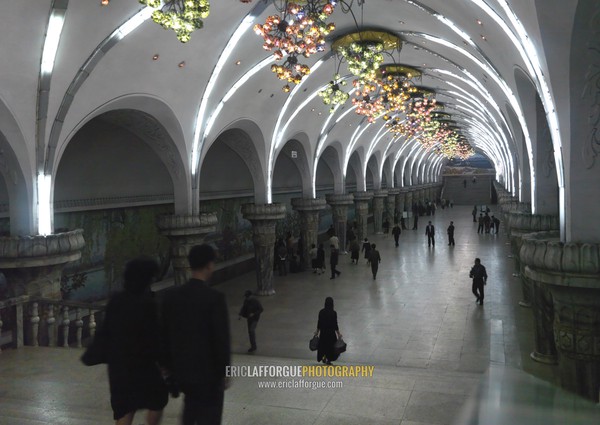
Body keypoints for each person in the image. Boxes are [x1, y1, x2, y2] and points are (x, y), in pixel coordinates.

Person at [90, 258, 168, 425]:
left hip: (119, 368)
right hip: (142, 367)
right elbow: (155, 339)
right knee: (158, 399)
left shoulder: (116, 301)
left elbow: (106, 333)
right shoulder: (147, 304)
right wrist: (164, 363)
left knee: (124, 409)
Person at [162, 244, 231, 425]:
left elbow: (165, 334)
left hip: (183, 372)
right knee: (210, 417)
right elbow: (221, 340)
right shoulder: (215, 298)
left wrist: (168, 366)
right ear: (209, 265)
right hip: (209, 375)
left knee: (190, 409)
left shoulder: (172, 297)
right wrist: (225, 371)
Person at [314, 297, 342, 365]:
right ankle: (329, 359)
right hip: (331, 334)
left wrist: (317, 332)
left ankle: (324, 356)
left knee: (323, 345)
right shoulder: (333, 313)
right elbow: (335, 324)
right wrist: (338, 334)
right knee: (330, 347)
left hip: (323, 333)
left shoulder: (321, 312)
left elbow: (319, 323)